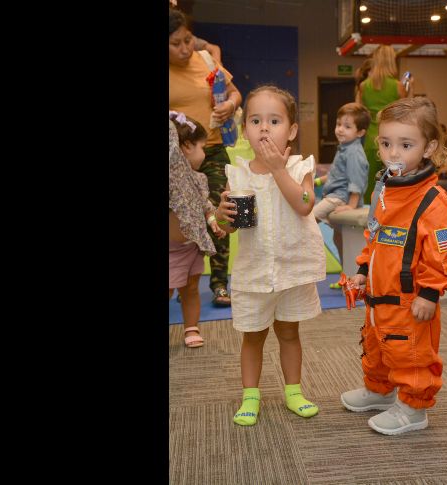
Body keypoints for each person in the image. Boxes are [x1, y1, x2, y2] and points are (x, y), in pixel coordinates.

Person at [340, 97, 447, 435]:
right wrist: (363, 271)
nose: (394, 154)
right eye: (387, 143)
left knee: (411, 353)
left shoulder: (434, 201)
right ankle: (379, 389)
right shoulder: (385, 191)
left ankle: (414, 407)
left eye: (406, 145)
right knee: (376, 346)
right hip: (379, 298)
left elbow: (442, 254)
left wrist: (430, 293)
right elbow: (373, 237)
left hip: (411, 301)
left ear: (428, 147)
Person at [213, 85, 326, 426]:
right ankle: (251, 395)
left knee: (289, 333)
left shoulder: (297, 166)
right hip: (255, 273)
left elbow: (304, 206)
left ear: (291, 130)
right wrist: (221, 214)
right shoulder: (238, 173)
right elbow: (229, 228)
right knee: (253, 336)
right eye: (255, 120)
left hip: (292, 271)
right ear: (245, 129)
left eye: (274, 120)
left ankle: (293, 391)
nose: (264, 128)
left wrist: (278, 169)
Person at [170, 8, 243, 307]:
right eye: (176, 43)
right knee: (178, 221)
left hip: (211, 148)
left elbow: (235, 92)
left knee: (219, 212)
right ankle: (178, 279)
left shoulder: (205, 60)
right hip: (174, 159)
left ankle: (219, 284)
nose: (186, 48)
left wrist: (231, 105)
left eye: (188, 40)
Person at [168, 114, 226, 348]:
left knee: (191, 288)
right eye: (203, 147)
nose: (205, 154)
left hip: (191, 247)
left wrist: (212, 221)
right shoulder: (173, 178)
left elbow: (206, 206)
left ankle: (191, 327)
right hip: (172, 249)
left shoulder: (200, 179)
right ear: (187, 146)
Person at [312, 102, 371, 288]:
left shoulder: (354, 152)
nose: (340, 130)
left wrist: (352, 205)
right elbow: (337, 173)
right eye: (338, 124)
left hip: (340, 197)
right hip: (335, 193)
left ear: (360, 132)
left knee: (308, 218)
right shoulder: (345, 147)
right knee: (339, 239)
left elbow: (356, 179)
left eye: (347, 126)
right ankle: (346, 276)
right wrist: (318, 181)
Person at [357, 45, 411, 204]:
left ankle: (368, 215)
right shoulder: (398, 86)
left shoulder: (363, 86)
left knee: (371, 182)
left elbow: (359, 111)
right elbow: (406, 113)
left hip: (370, 140)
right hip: (392, 141)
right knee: (394, 180)